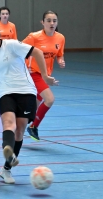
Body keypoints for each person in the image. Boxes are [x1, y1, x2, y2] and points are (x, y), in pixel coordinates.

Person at [0, 20, 57, 184]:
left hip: (26, 91)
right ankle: (8, 152)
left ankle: (6, 169)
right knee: (9, 123)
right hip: (5, 93)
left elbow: (36, 52)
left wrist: (44, 76)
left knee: (19, 131)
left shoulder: (11, 45)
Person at [22, 10, 65, 141]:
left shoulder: (60, 38)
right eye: (49, 20)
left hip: (46, 74)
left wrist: (60, 60)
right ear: (43, 22)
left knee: (34, 105)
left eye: (54, 21)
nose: (52, 23)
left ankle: (18, 124)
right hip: (33, 72)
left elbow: (59, 53)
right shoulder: (34, 37)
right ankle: (33, 126)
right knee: (50, 99)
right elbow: (19, 50)